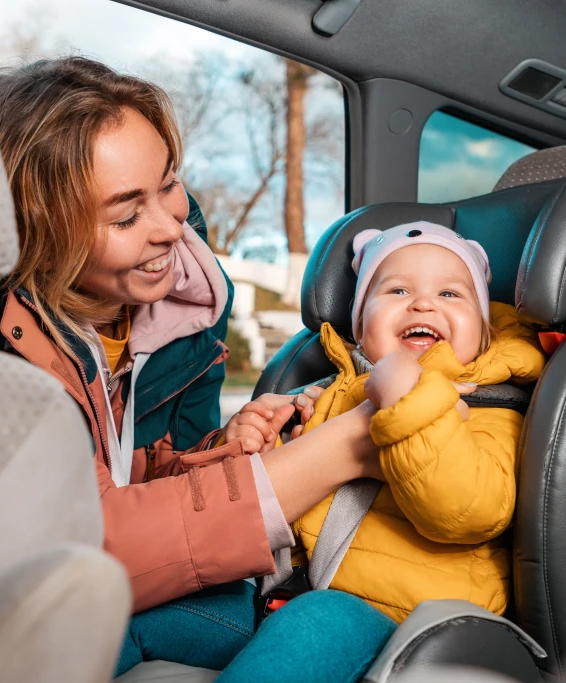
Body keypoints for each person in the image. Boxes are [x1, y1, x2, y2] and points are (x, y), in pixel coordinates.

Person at [0, 57, 393, 681]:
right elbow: (84, 538)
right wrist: (341, 449)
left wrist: (232, 446)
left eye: (169, 183)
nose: (173, 227)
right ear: (39, 234)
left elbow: (159, 477)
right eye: (126, 215)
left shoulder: (185, 308)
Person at [232, 221, 547, 624]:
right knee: (154, 614)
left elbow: (466, 511)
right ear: (360, 327)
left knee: (313, 621)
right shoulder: (329, 392)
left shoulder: (494, 404)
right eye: (398, 290)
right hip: (290, 592)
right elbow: (286, 512)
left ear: (484, 333)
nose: (422, 305)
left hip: (410, 622)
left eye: (449, 293)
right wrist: (253, 446)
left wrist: (406, 397)